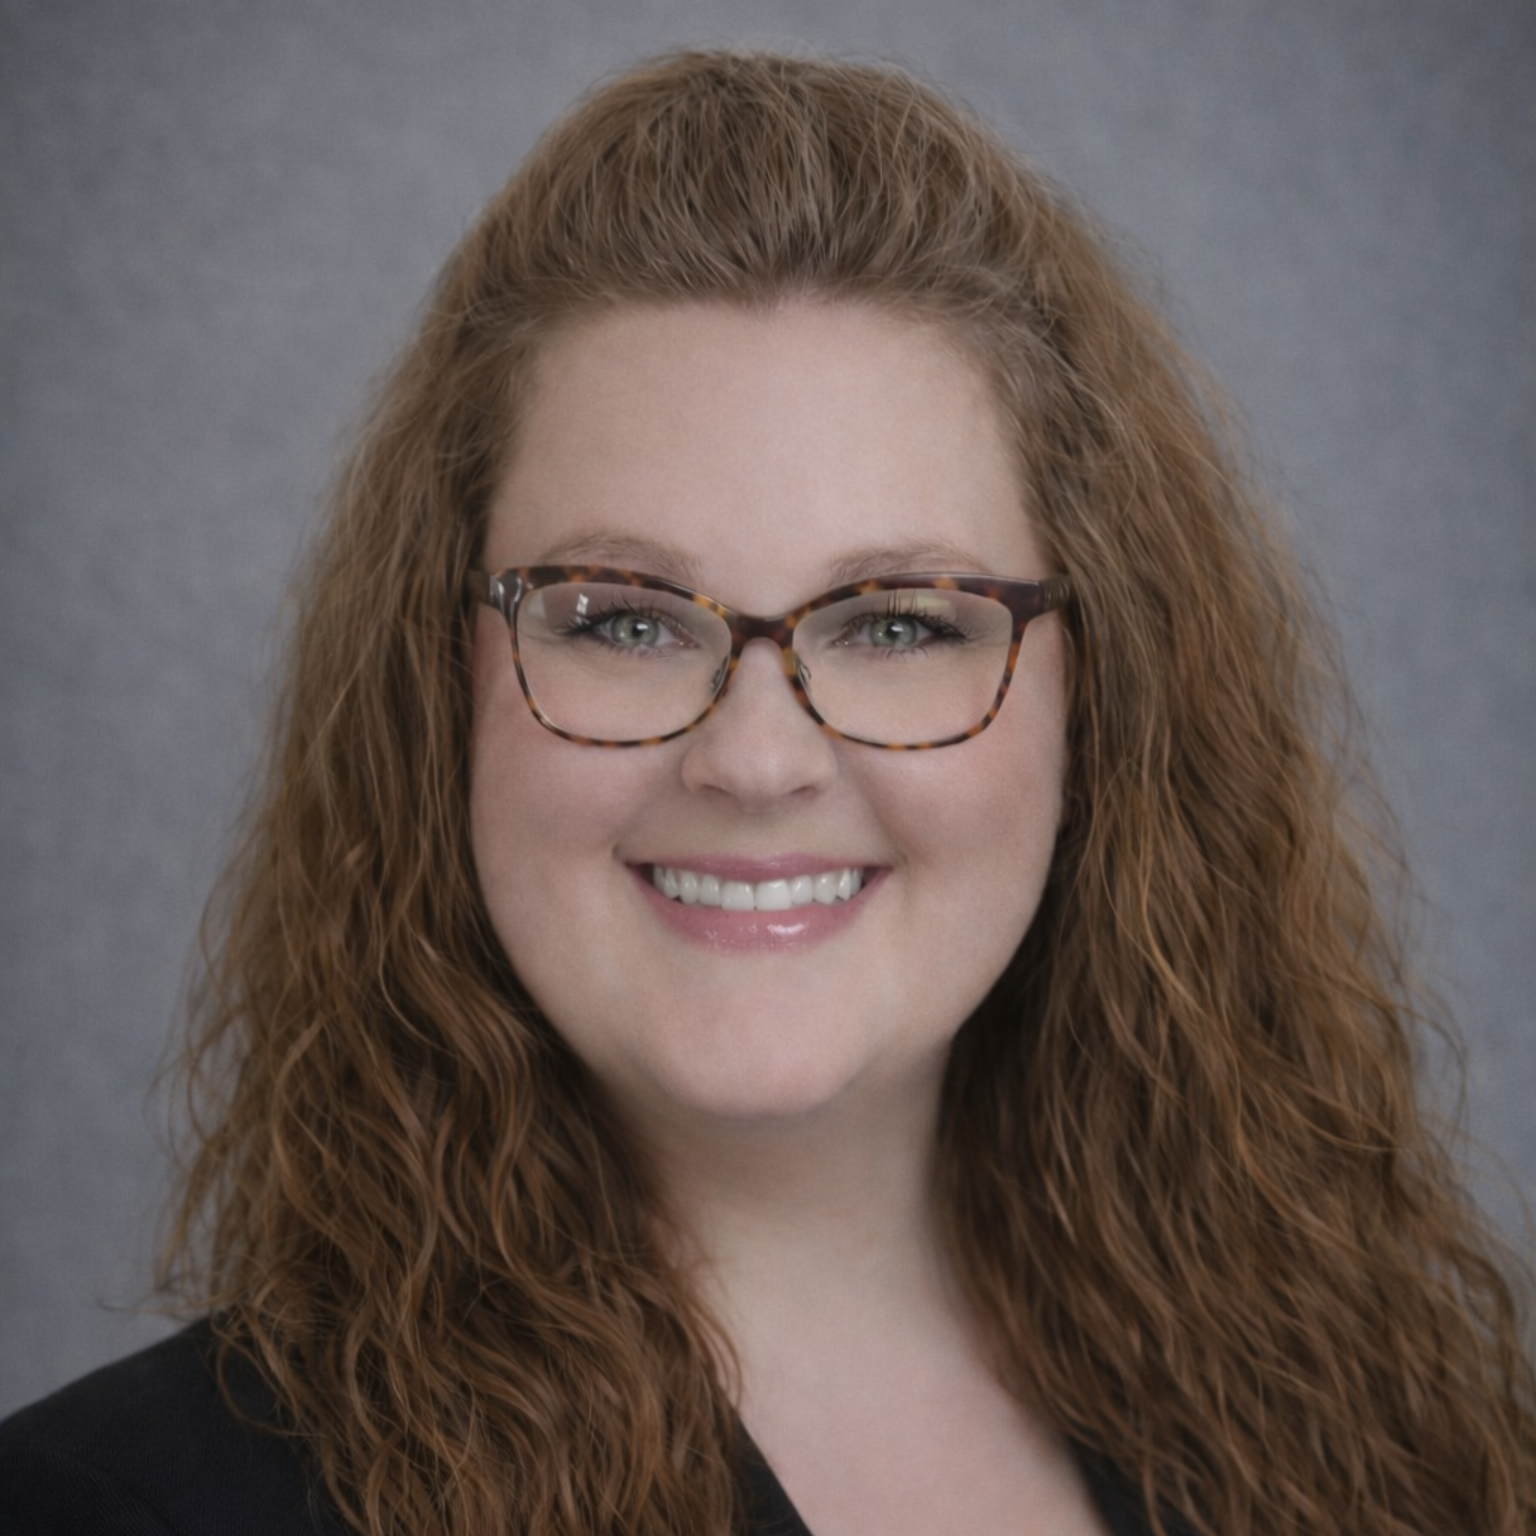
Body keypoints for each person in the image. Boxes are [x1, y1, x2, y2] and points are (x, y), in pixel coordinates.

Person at [2, 46, 1532, 1536]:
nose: (755, 759)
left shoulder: (1400, 1446)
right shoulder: (118, 1509)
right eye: (622, 619)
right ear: (440, 685)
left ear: (1104, 703)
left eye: (896, 624)